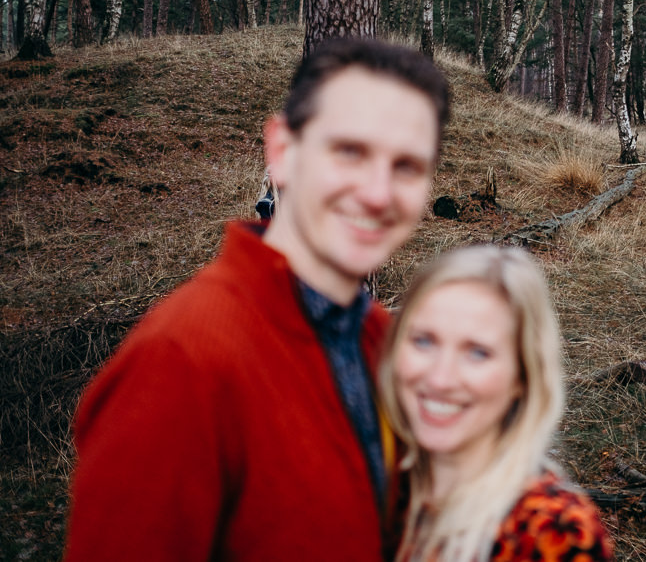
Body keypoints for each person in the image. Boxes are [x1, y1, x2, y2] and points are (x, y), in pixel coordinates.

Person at [65, 37, 450, 561]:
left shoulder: (378, 341)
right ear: (282, 153)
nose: (378, 193)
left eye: (406, 166)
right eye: (349, 151)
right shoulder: (181, 363)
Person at [379, 245, 614, 562]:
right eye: (423, 341)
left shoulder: (553, 534)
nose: (440, 379)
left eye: (477, 352)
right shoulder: (376, 489)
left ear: (522, 376)